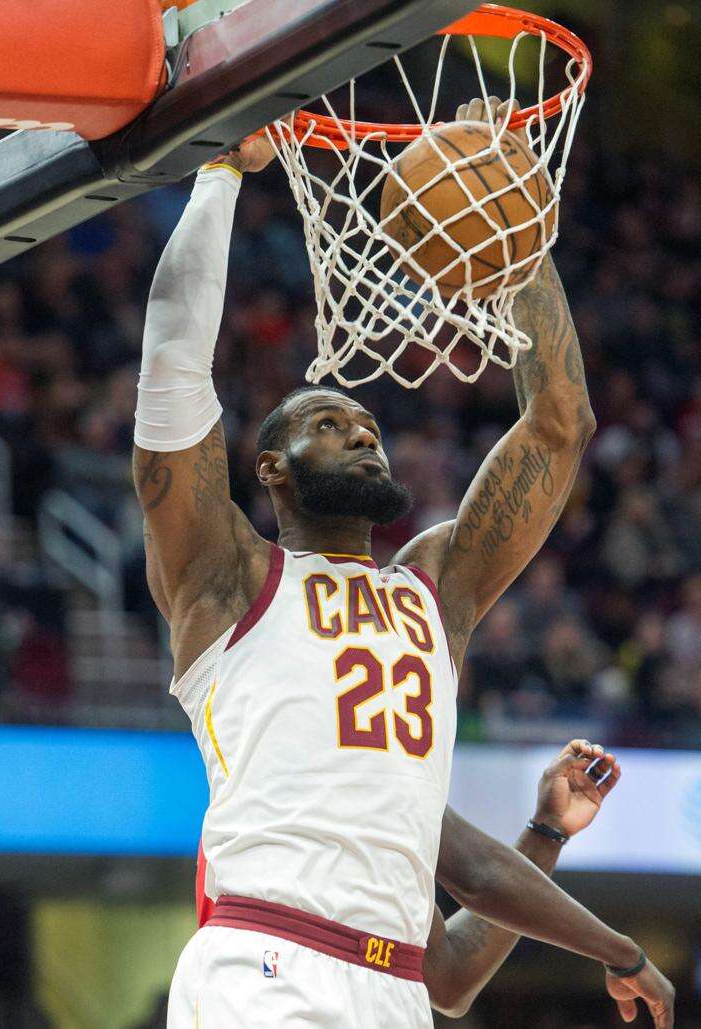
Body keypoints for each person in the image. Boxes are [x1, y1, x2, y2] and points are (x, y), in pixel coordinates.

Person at [132, 99, 674, 1027]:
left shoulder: (431, 592)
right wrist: (220, 179)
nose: (361, 433)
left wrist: (511, 219)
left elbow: (453, 973)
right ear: (269, 469)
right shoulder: (229, 579)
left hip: (389, 994)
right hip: (265, 966)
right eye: (327, 423)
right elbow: (173, 380)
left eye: (370, 426)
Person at [195, 738, 671, 1024]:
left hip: (367, 996)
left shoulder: (386, 809)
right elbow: (479, 876)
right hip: (268, 979)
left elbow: (448, 978)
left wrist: (548, 832)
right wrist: (623, 955)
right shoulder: (318, 749)